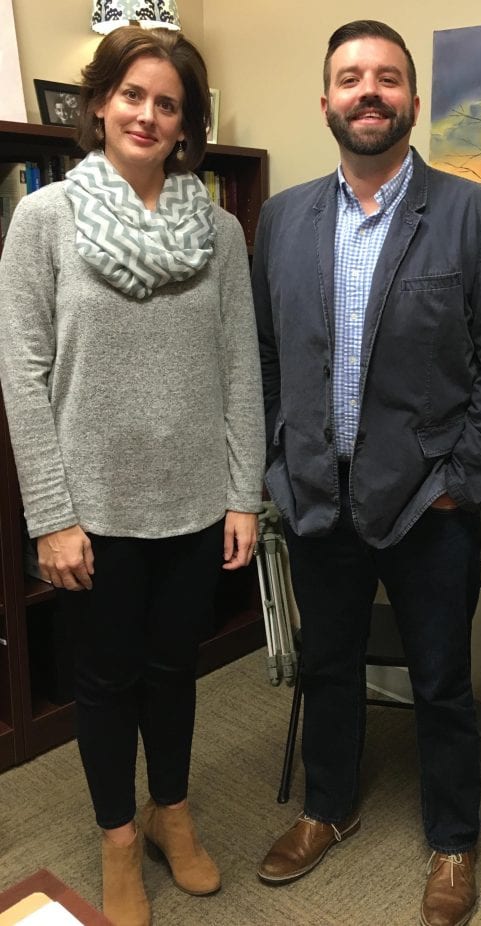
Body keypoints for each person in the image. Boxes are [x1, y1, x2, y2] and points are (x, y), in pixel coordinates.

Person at [251, 19, 481, 926]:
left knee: (442, 678)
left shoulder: (475, 215)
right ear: (326, 100)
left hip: (429, 506)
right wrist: (274, 464)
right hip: (315, 499)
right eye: (349, 77)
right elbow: (264, 354)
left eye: (385, 77)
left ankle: (453, 841)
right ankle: (326, 809)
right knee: (328, 666)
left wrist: (463, 475)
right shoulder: (282, 217)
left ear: (411, 101)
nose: (367, 91)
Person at [0, 26, 264, 926]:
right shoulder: (45, 220)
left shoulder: (221, 230)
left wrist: (242, 494)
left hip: (193, 504)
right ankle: (119, 838)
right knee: (106, 681)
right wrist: (51, 513)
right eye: (133, 95)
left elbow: (241, 368)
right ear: (100, 104)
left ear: (186, 124)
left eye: (168, 103)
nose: (148, 115)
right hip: (93, 511)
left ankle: (171, 814)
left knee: (174, 673)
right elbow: (22, 374)